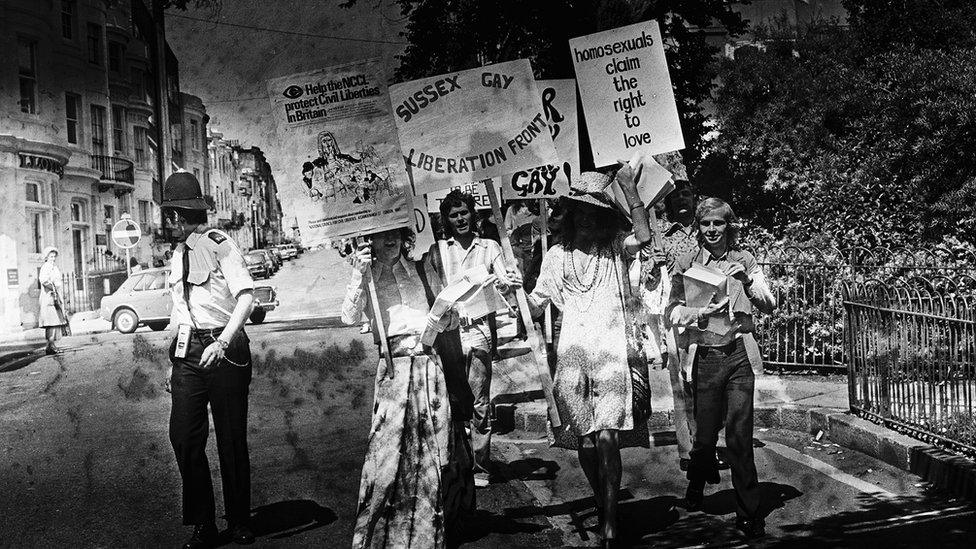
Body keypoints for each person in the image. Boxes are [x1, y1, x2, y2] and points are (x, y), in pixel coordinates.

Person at [521, 165, 654, 548]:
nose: (585, 217)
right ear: (570, 214)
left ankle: (610, 525)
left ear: (602, 216)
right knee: (586, 443)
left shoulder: (614, 249)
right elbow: (533, 306)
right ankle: (604, 504)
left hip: (612, 356)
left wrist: (630, 190)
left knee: (608, 437)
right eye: (578, 210)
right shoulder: (556, 257)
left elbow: (643, 237)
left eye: (593, 211)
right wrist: (513, 289)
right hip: (573, 359)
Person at [342, 228, 475, 548]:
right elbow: (348, 316)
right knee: (387, 459)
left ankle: (426, 537)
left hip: (430, 368)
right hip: (393, 374)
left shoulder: (422, 269)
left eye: (395, 233)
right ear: (368, 239)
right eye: (381, 234)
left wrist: (445, 320)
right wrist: (359, 275)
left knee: (432, 458)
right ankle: (381, 537)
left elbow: (452, 318)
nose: (390, 240)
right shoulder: (368, 276)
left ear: (404, 236)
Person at [666, 197, 776, 539]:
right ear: (698, 228)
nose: (712, 230)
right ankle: (696, 486)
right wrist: (696, 314)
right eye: (705, 224)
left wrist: (746, 281)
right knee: (704, 436)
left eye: (718, 223)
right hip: (706, 358)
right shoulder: (687, 262)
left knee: (739, 438)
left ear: (729, 225)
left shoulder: (744, 260)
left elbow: (770, 304)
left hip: (738, 356)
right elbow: (671, 311)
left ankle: (748, 512)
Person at [162, 170, 257, 549]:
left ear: (175, 216)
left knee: (231, 438)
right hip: (190, 352)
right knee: (183, 438)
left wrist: (224, 340)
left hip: (226, 347)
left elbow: (247, 297)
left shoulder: (220, 244)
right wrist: (175, 361)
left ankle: (237, 520)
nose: (167, 222)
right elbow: (181, 312)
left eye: (168, 215)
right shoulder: (177, 254)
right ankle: (203, 523)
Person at [428, 190, 514, 488]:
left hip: (478, 332)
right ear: (446, 220)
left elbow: (504, 283)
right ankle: (452, 463)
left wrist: (506, 283)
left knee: (480, 402)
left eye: (464, 212)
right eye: (453, 215)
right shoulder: (438, 251)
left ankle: (480, 467)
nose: (460, 219)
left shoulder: (489, 247)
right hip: (448, 335)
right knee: (449, 399)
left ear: (472, 213)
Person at [38, 246, 68, 355]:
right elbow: (44, 280)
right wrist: (53, 288)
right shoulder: (45, 267)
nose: (53, 258)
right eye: (51, 256)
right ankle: (51, 346)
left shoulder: (54, 267)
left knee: (55, 322)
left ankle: (50, 346)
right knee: (51, 322)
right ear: (46, 257)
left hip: (55, 297)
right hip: (49, 297)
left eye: (54, 256)